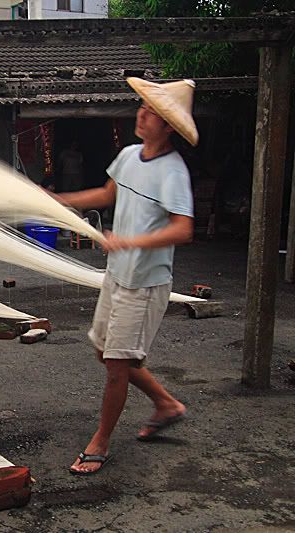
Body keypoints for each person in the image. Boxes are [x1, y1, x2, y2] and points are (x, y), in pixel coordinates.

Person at [56, 78, 197, 475]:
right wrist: (59, 200)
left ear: (168, 127)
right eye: (143, 107)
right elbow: (106, 194)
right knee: (105, 353)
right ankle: (166, 404)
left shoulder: (173, 171)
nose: (142, 114)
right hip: (118, 275)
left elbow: (184, 228)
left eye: (152, 112)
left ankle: (100, 443)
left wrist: (130, 241)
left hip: (146, 283)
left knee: (117, 366)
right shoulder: (129, 155)